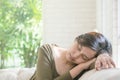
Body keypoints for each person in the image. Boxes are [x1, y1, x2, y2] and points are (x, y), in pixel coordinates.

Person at [30, 32, 115, 80]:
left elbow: (100, 63)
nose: (75, 55)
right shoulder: (47, 50)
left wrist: (103, 54)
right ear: (76, 39)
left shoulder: (88, 65)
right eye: (79, 47)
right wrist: (80, 67)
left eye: (84, 57)